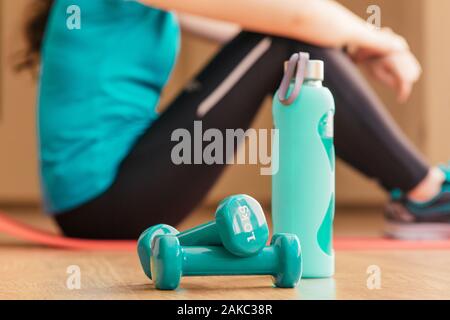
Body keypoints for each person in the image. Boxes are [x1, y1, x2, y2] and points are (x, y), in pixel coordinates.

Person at [18, 0, 449, 240]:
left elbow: (257, 30)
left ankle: (421, 192)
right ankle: (424, 193)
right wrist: (386, 40)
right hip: (107, 201)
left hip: (107, 198)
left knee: (289, 41)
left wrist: (358, 47)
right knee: (287, 40)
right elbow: (293, 20)